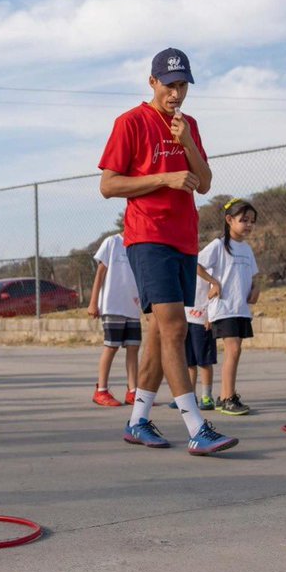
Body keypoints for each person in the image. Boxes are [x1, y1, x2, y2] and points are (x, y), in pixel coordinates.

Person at [98, 47, 237, 455]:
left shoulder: (188, 125)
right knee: (176, 327)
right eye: (169, 85)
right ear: (152, 82)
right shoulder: (131, 122)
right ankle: (197, 426)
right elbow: (108, 185)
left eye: (182, 86)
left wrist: (188, 143)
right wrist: (164, 178)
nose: (176, 93)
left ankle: (138, 419)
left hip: (183, 238)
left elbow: (206, 182)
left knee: (159, 334)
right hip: (147, 237)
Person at [197, 199, 260, 416]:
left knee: (236, 351)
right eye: (244, 220)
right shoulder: (218, 245)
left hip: (240, 308)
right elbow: (196, 264)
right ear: (229, 220)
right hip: (224, 308)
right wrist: (214, 283)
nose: (249, 224)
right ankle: (226, 398)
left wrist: (256, 289)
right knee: (233, 350)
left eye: (252, 221)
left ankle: (226, 395)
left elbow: (254, 275)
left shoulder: (247, 249)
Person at [86, 233, 141, 408]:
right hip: (113, 305)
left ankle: (133, 392)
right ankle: (101, 390)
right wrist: (93, 302)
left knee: (133, 347)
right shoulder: (113, 242)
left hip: (132, 305)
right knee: (111, 347)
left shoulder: (139, 246)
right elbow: (100, 273)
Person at [185, 263, 219, 411]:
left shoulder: (211, 270)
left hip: (202, 320)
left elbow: (215, 294)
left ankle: (207, 396)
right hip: (185, 318)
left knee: (204, 361)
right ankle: (189, 396)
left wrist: (211, 316)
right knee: (188, 362)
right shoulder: (184, 264)